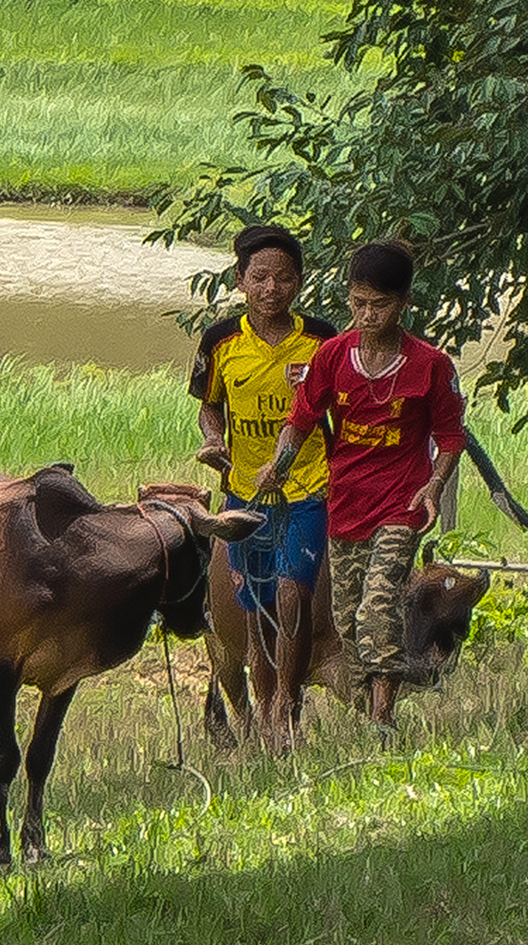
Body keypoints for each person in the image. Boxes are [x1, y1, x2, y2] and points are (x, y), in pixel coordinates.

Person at [258, 239, 465, 729]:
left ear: (404, 304)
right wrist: (279, 465)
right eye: (358, 303)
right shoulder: (332, 356)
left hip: (402, 502)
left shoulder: (430, 365)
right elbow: (302, 418)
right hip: (347, 501)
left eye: (380, 305)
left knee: (377, 605)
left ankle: (382, 721)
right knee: (348, 619)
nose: (367, 315)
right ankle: (378, 695)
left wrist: (433, 485)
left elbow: (450, 437)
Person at [189, 224, 335, 745]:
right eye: (261, 278)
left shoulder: (322, 340)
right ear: (240, 279)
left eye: (284, 278)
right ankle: (265, 696)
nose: (272, 289)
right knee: (256, 604)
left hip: (309, 487)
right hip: (245, 492)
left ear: (299, 283)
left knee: (295, 591)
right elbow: (210, 407)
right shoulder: (220, 341)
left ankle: (286, 706)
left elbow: (346, 406)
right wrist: (214, 441)